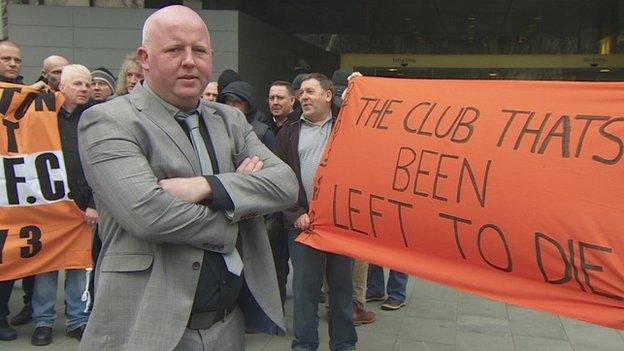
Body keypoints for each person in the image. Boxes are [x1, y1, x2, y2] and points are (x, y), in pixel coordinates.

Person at [77, 5, 298, 350]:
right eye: (174, 50)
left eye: (198, 50)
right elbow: (149, 214)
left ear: (211, 56)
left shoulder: (231, 121)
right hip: (150, 327)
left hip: (228, 325)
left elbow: (285, 184)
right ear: (145, 58)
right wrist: (241, 208)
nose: (189, 61)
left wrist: (208, 187)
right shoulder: (107, 121)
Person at [275, 73, 357, 351]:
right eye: (301, 93)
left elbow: (369, 111)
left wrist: (360, 85)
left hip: (340, 225)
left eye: (311, 91)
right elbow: (279, 179)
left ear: (328, 96)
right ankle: (304, 345)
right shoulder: (288, 132)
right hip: (304, 225)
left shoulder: (348, 123)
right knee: (304, 292)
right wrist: (294, 212)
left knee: (342, 290)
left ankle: (344, 344)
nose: (303, 97)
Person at [30, 64, 95, 346]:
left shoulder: (95, 119)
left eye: (88, 85)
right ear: (62, 88)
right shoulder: (42, 118)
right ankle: (43, 322)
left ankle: (77, 320)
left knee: (78, 267)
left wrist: (95, 204)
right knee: (46, 268)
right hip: (51, 206)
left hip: (83, 208)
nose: (84, 89)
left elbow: (101, 166)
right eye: (78, 84)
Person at [0, 40, 33, 341]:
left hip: (13, 194)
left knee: (8, 261)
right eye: (6, 59)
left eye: (17, 60)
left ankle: (2, 316)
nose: (12, 64)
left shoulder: (33, 98)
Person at [217, 80, 275, 150]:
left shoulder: (263, 133)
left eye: (237, 102)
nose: (231, 105)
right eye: (228, 100)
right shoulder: (217, 128)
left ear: (248, 105)